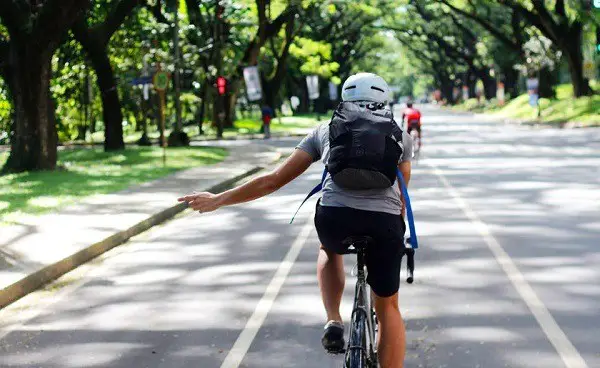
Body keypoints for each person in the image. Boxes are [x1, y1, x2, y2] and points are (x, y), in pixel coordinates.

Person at [178, 72, 413, 368]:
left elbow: (273, 181)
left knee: (329, 249)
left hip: (335, 218)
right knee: (388, 305)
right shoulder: (400, 136)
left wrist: (218, 199)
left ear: (344, 97)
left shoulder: (324, 130)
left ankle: (333, 320)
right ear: (384, 98)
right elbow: (403, 189)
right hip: (384, 223)